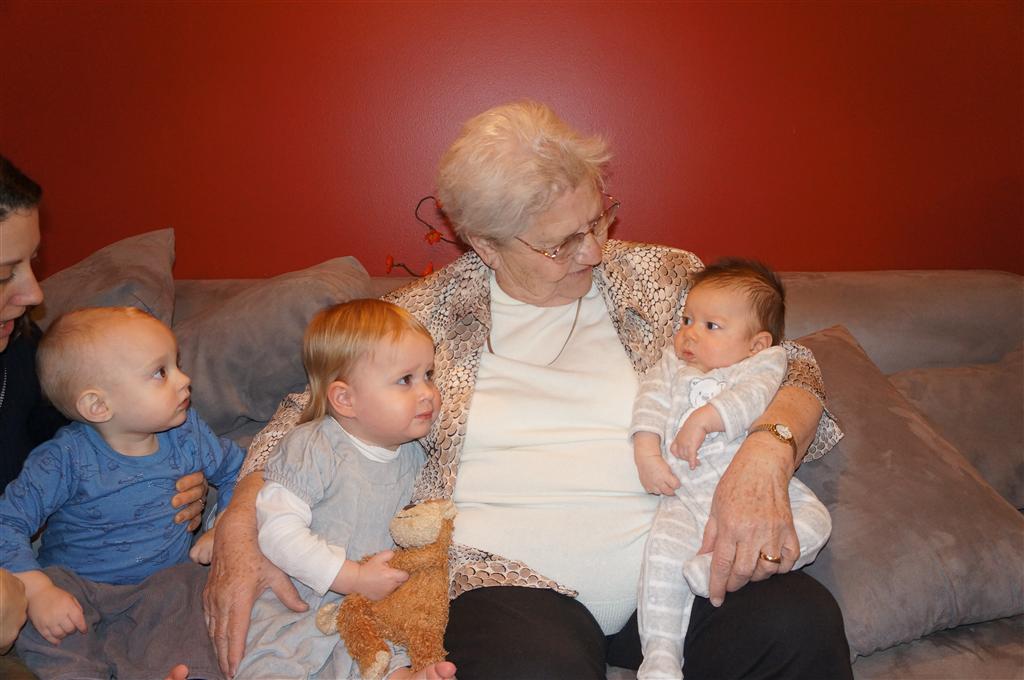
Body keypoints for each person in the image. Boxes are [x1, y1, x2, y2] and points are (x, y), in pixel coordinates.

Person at [205, 101, 852, 679]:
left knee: (796, 623)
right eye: (560, 243)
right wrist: (239, 524)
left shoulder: (661, 278)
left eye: (598, 220)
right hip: (505, 585)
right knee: (531, 669)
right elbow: (303, 415)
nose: (593, 251)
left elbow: (791, 366)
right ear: (484, 244)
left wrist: (769, 450)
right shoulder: (424, 318)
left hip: (677, 561)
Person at [0, 155, 208, 675]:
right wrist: (30, 582)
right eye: (4, 274)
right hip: (55, 581)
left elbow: (98, 440)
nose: (34, 293)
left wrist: (205, 494)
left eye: (32, 263)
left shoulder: (21, 351)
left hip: (151, 583)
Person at [0, 306, 243, 679]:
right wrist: (36, 588)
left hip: (164, 584)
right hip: (76, 586)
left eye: (176, 364)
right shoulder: (62, 459)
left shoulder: (188, 434)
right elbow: (8, 520)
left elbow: (238, 470)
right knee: (46, 627)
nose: (185, 379)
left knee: (198, 595)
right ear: (98, 405)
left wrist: (222, 524)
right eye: (160, 372)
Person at [630, 258, 833, 679]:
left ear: (756, 344)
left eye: (711, 326)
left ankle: (714, 568)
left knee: (816, 521)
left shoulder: (763, 364)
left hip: (752, 486)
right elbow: (649, 402)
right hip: (685, 495)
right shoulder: (671, 365)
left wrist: (706, 418)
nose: (689, 333)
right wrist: (648, 454)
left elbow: (756, 396)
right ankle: (661, 657)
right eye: (687, 320)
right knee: (661, 560)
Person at [235, 300, 453, 679]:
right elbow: (277, 531)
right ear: (345, 399)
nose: (427, 393)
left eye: (428, 375)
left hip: (369, 615)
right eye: (406, 379)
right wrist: (352, 577)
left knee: (385, 661)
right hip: (298, 608)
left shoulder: (414, 456)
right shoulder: (313, 447)